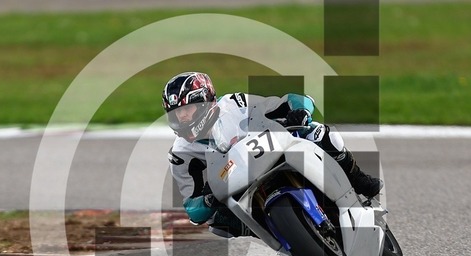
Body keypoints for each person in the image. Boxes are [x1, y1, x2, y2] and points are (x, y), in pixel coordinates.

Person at [163, 71, 382, 238]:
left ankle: (357, 178)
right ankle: (276, 232)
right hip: (234, 182)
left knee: (318, 132)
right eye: (176, 113)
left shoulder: (234, 104)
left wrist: (300, 112)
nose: (182, 117)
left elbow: (288, 101)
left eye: (186, 109)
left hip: (269, 151)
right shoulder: (181, 154)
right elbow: (192, 209)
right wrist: (208, 198)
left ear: (205, 102)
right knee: (216, 223)